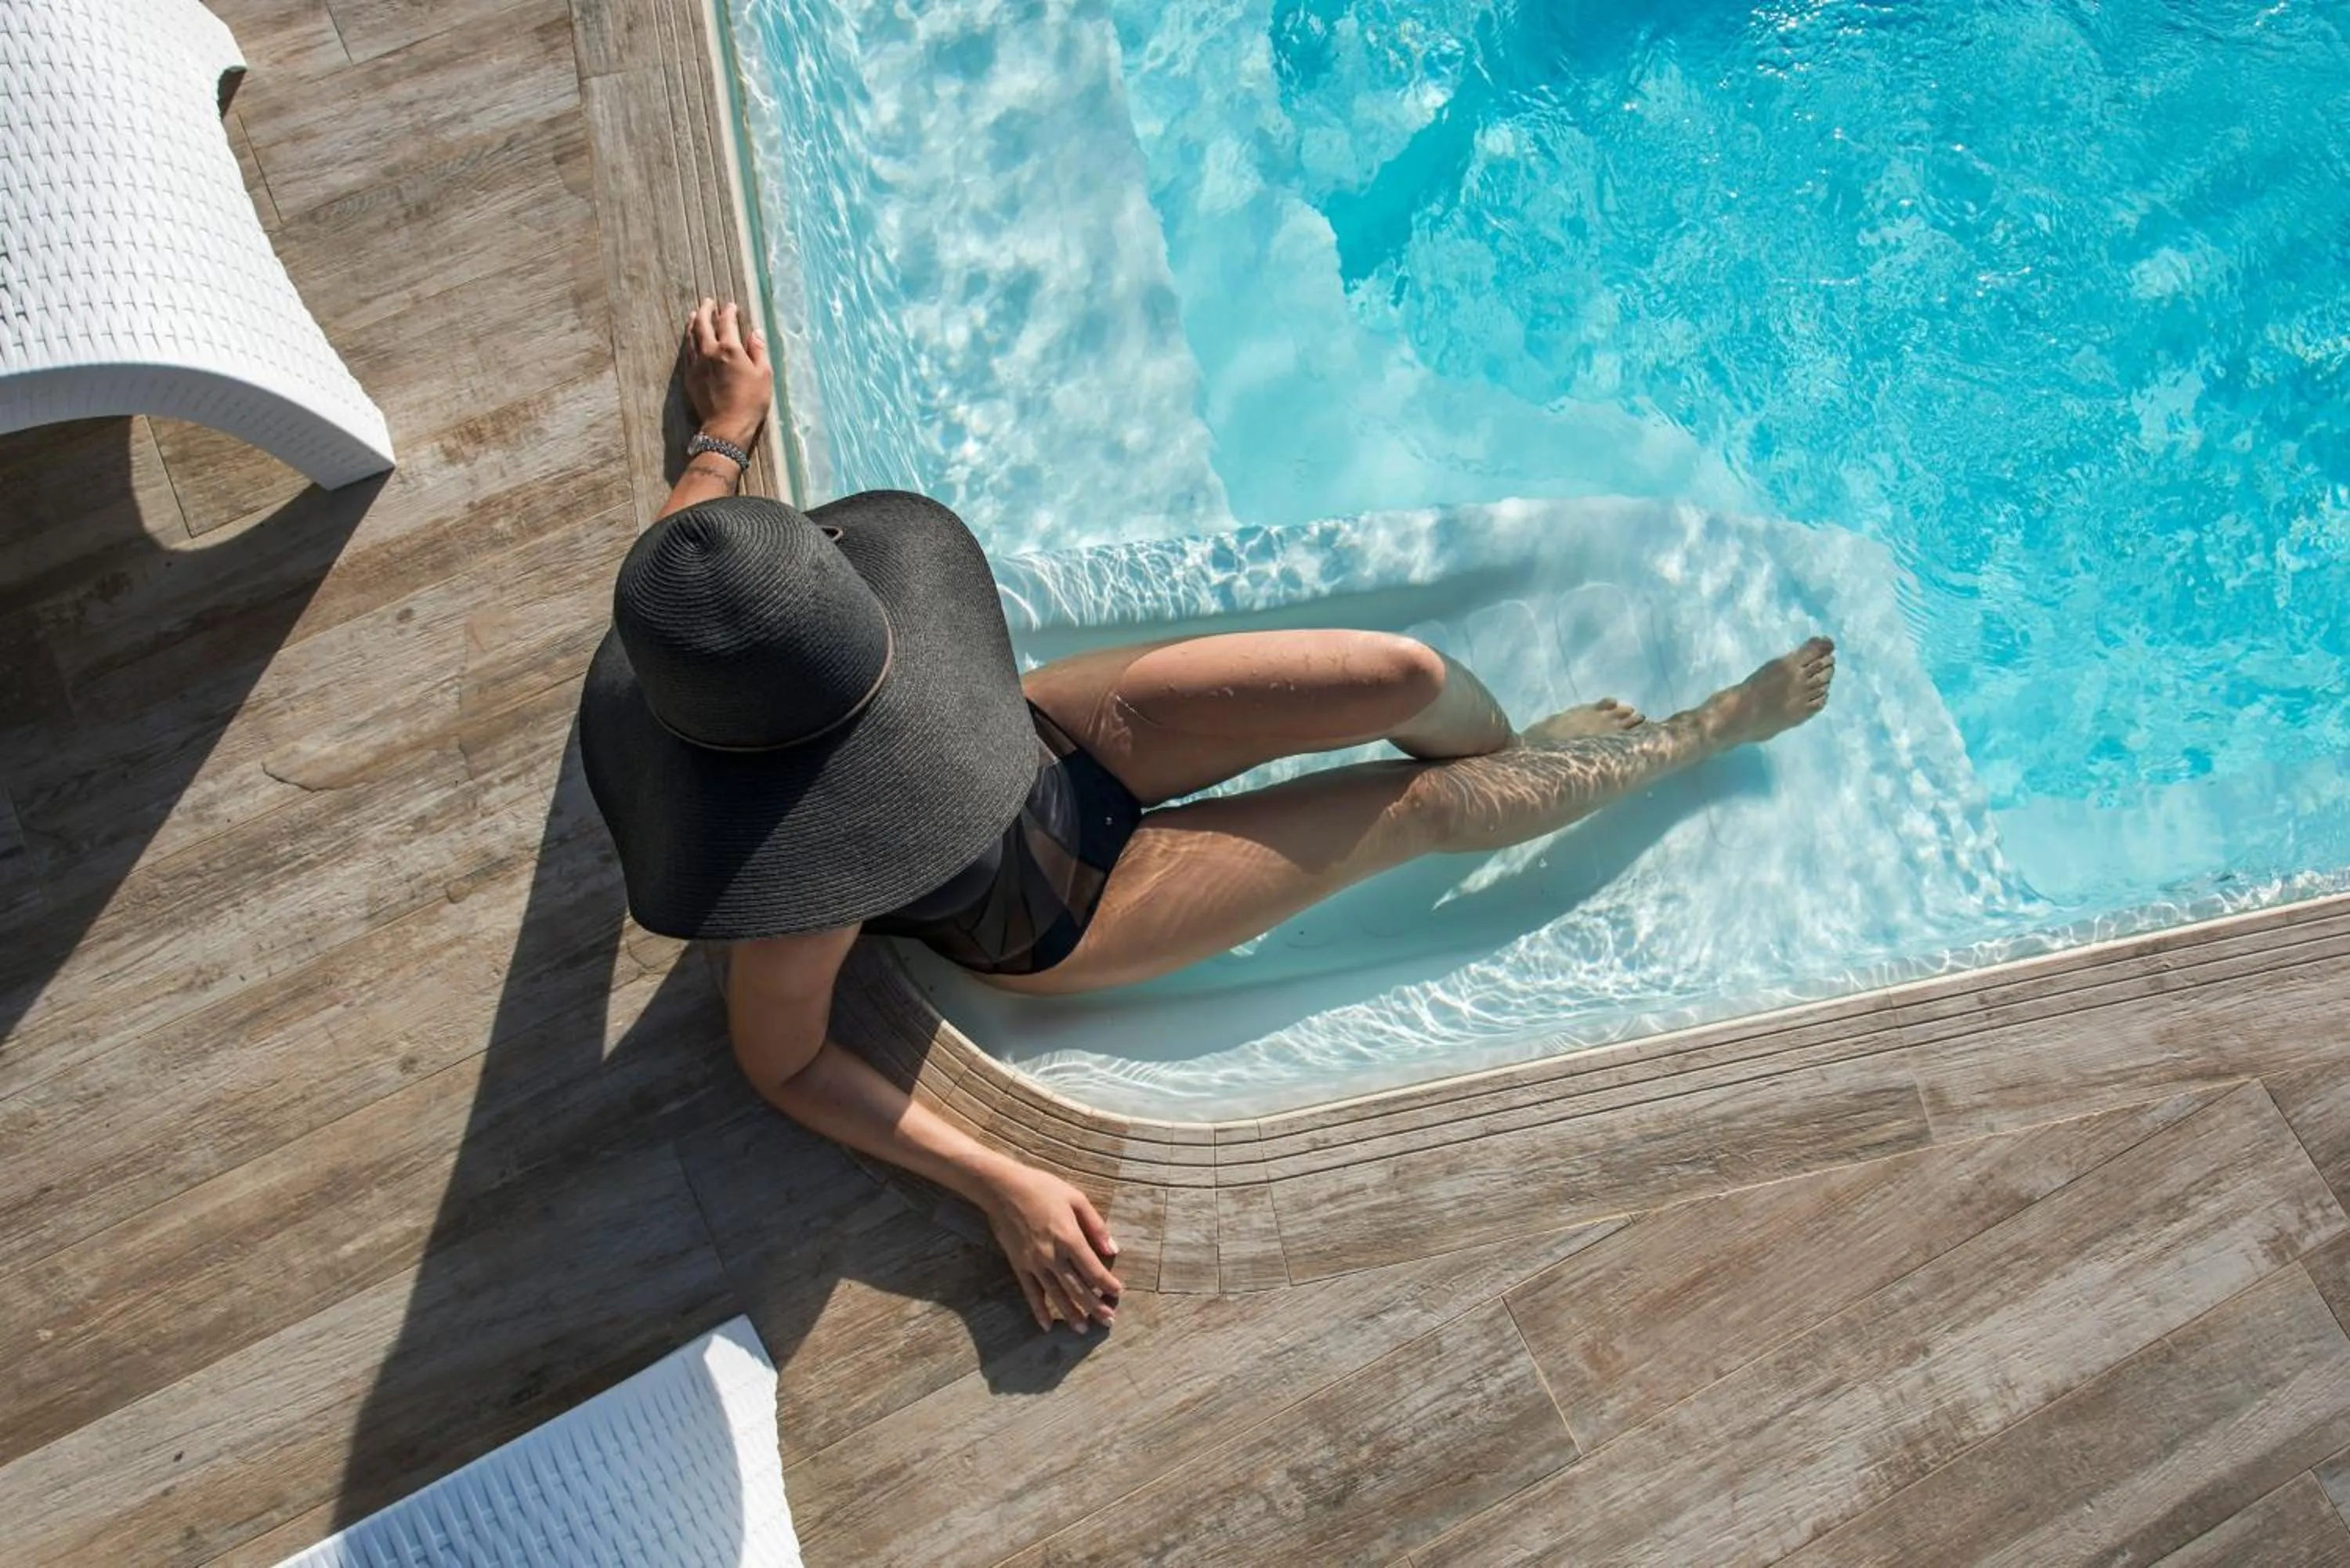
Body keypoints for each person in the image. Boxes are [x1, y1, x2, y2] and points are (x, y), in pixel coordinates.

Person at [579, 301, 1837, 1337]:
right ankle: (1695, 737)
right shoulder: (791, 883)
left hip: (1054, 744)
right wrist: (1000, 1184)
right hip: (1061, 909)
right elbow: (781, 1062)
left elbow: (700, 569)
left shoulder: (712, 640)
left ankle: (1525, 746)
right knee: (1424, 805)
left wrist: (724, 440)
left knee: (1396, 674)